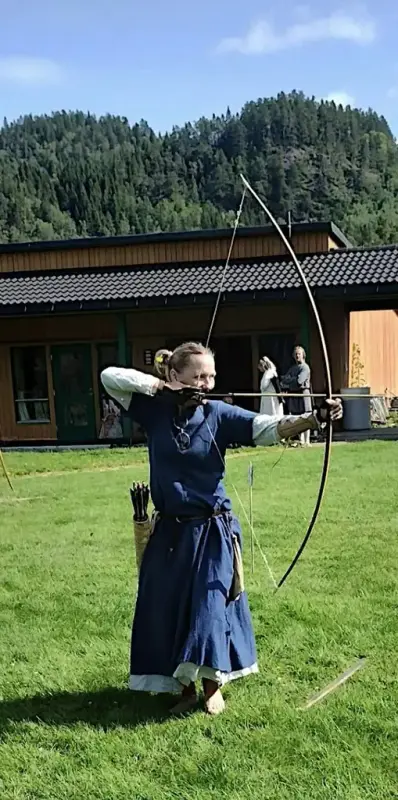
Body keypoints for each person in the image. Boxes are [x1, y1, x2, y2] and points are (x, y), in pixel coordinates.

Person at [101, 341, 342, 716]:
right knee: (168, 607)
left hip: (213, 530)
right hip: (170, 533)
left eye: (211, 376)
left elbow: (267, 427)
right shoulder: (153, 411)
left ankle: (213, 686)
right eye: (198, 376)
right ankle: (184, 688)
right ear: (174, 375)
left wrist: (315, 419)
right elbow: (109, 378)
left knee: (209, 605)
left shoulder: (218, 413)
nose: (206, 384)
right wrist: (159, 389)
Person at [281, 346, 312, 446]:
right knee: (297, 417)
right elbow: (284, 379)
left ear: (303, 355)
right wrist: (291, 379)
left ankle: (307, 441)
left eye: (299, 353)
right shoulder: (293, 368)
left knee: (306, 416)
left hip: (303, 394)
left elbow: (300, 381)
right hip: (294, 394)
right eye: (296, 354)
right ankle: (301, 440)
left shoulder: (305, 367)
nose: (297, 356)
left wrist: (290, 379)